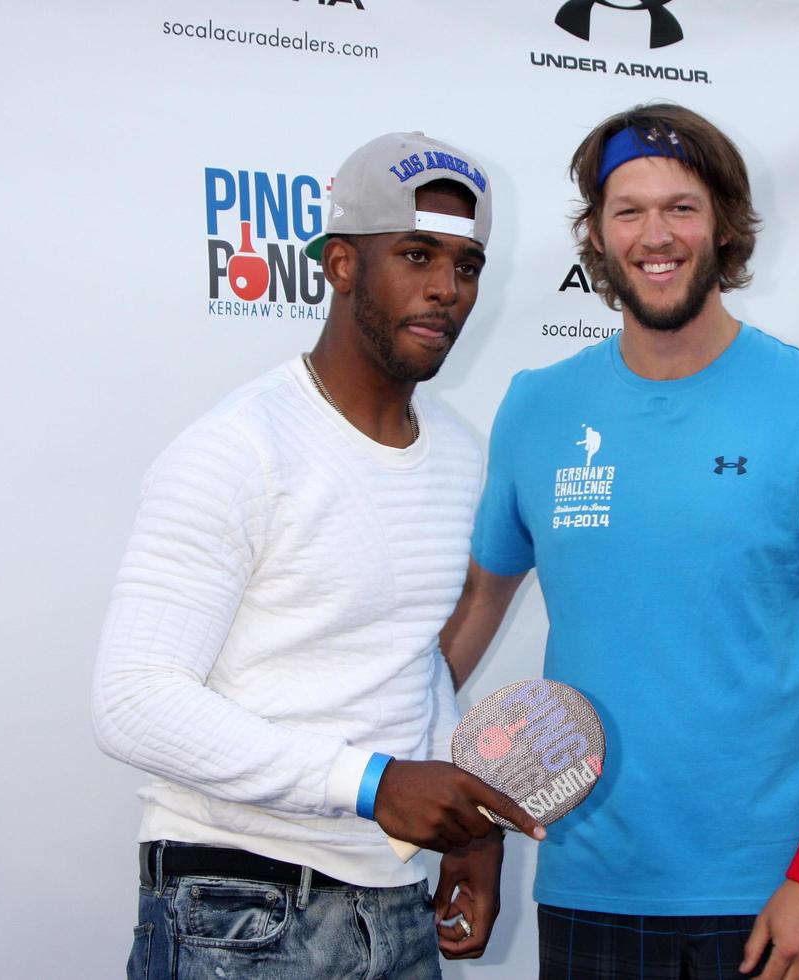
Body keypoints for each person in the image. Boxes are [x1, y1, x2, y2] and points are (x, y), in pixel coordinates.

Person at [443, 104, 799, 980]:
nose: (654, 235)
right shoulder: (536, 408)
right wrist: (372, 752)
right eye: (628, 210)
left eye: (681, 207)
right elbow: (478, 607)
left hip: (778, 899)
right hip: (591, 887)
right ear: (596, 233)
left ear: (724, 224)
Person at [91, 131, 544, 980]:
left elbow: (407, 667)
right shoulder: (239, 448)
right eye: (415, 255)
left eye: (467, 265)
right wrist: (374, 783)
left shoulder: (456, 453)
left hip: (396, 906)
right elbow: (132, 703)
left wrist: (467, 829)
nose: (446, 288)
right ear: (339, 264)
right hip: (239, 909)